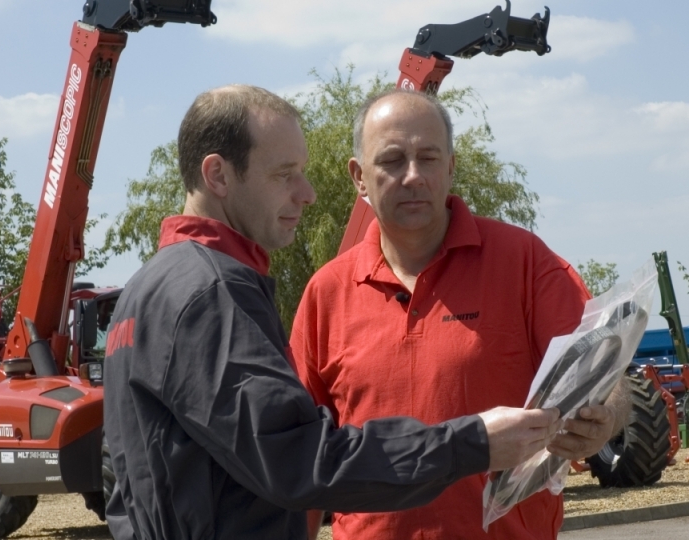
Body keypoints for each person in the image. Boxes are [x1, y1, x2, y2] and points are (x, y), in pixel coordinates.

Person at [103, 84, 564, 540]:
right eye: (285, 174)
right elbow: (299, 458)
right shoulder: (214, 291)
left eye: (429, 157)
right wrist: (472, 443)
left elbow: (128, 489)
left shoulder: (144, 291)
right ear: (219, 176)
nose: (308, 193)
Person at [290, 89, 631, 540]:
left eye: (428, 158)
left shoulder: (524, 262)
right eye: (391, 160)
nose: (413, 176)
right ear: (358, 177)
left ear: (451, 166)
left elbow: (613, 382)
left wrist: (604, 417)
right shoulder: (326, 294)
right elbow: (298, 455)